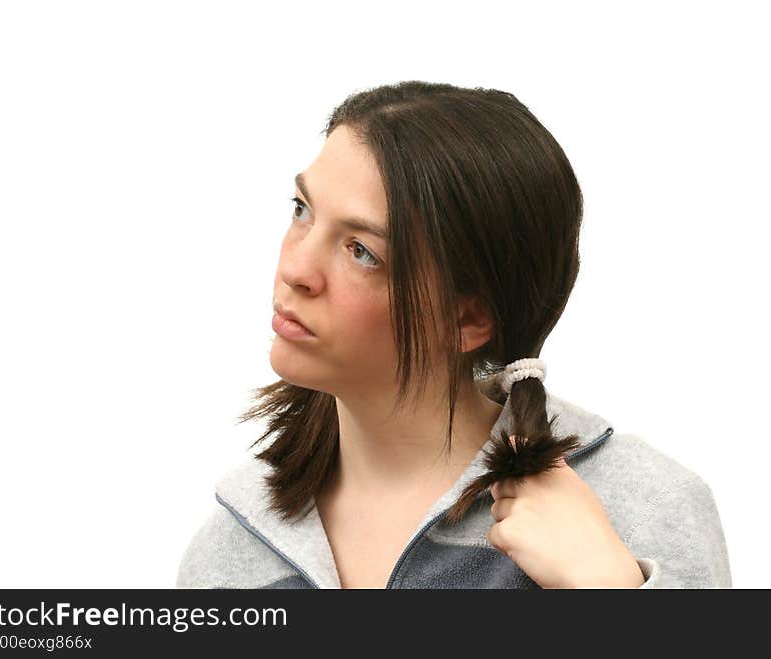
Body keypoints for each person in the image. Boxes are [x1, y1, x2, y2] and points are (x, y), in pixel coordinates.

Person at [176, 81, 732, 589]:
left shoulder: (642, 509)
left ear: (467, 318)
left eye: (362, 251)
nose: (297, 268)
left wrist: (608, 590)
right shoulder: (232, 550)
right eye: (302, 210)